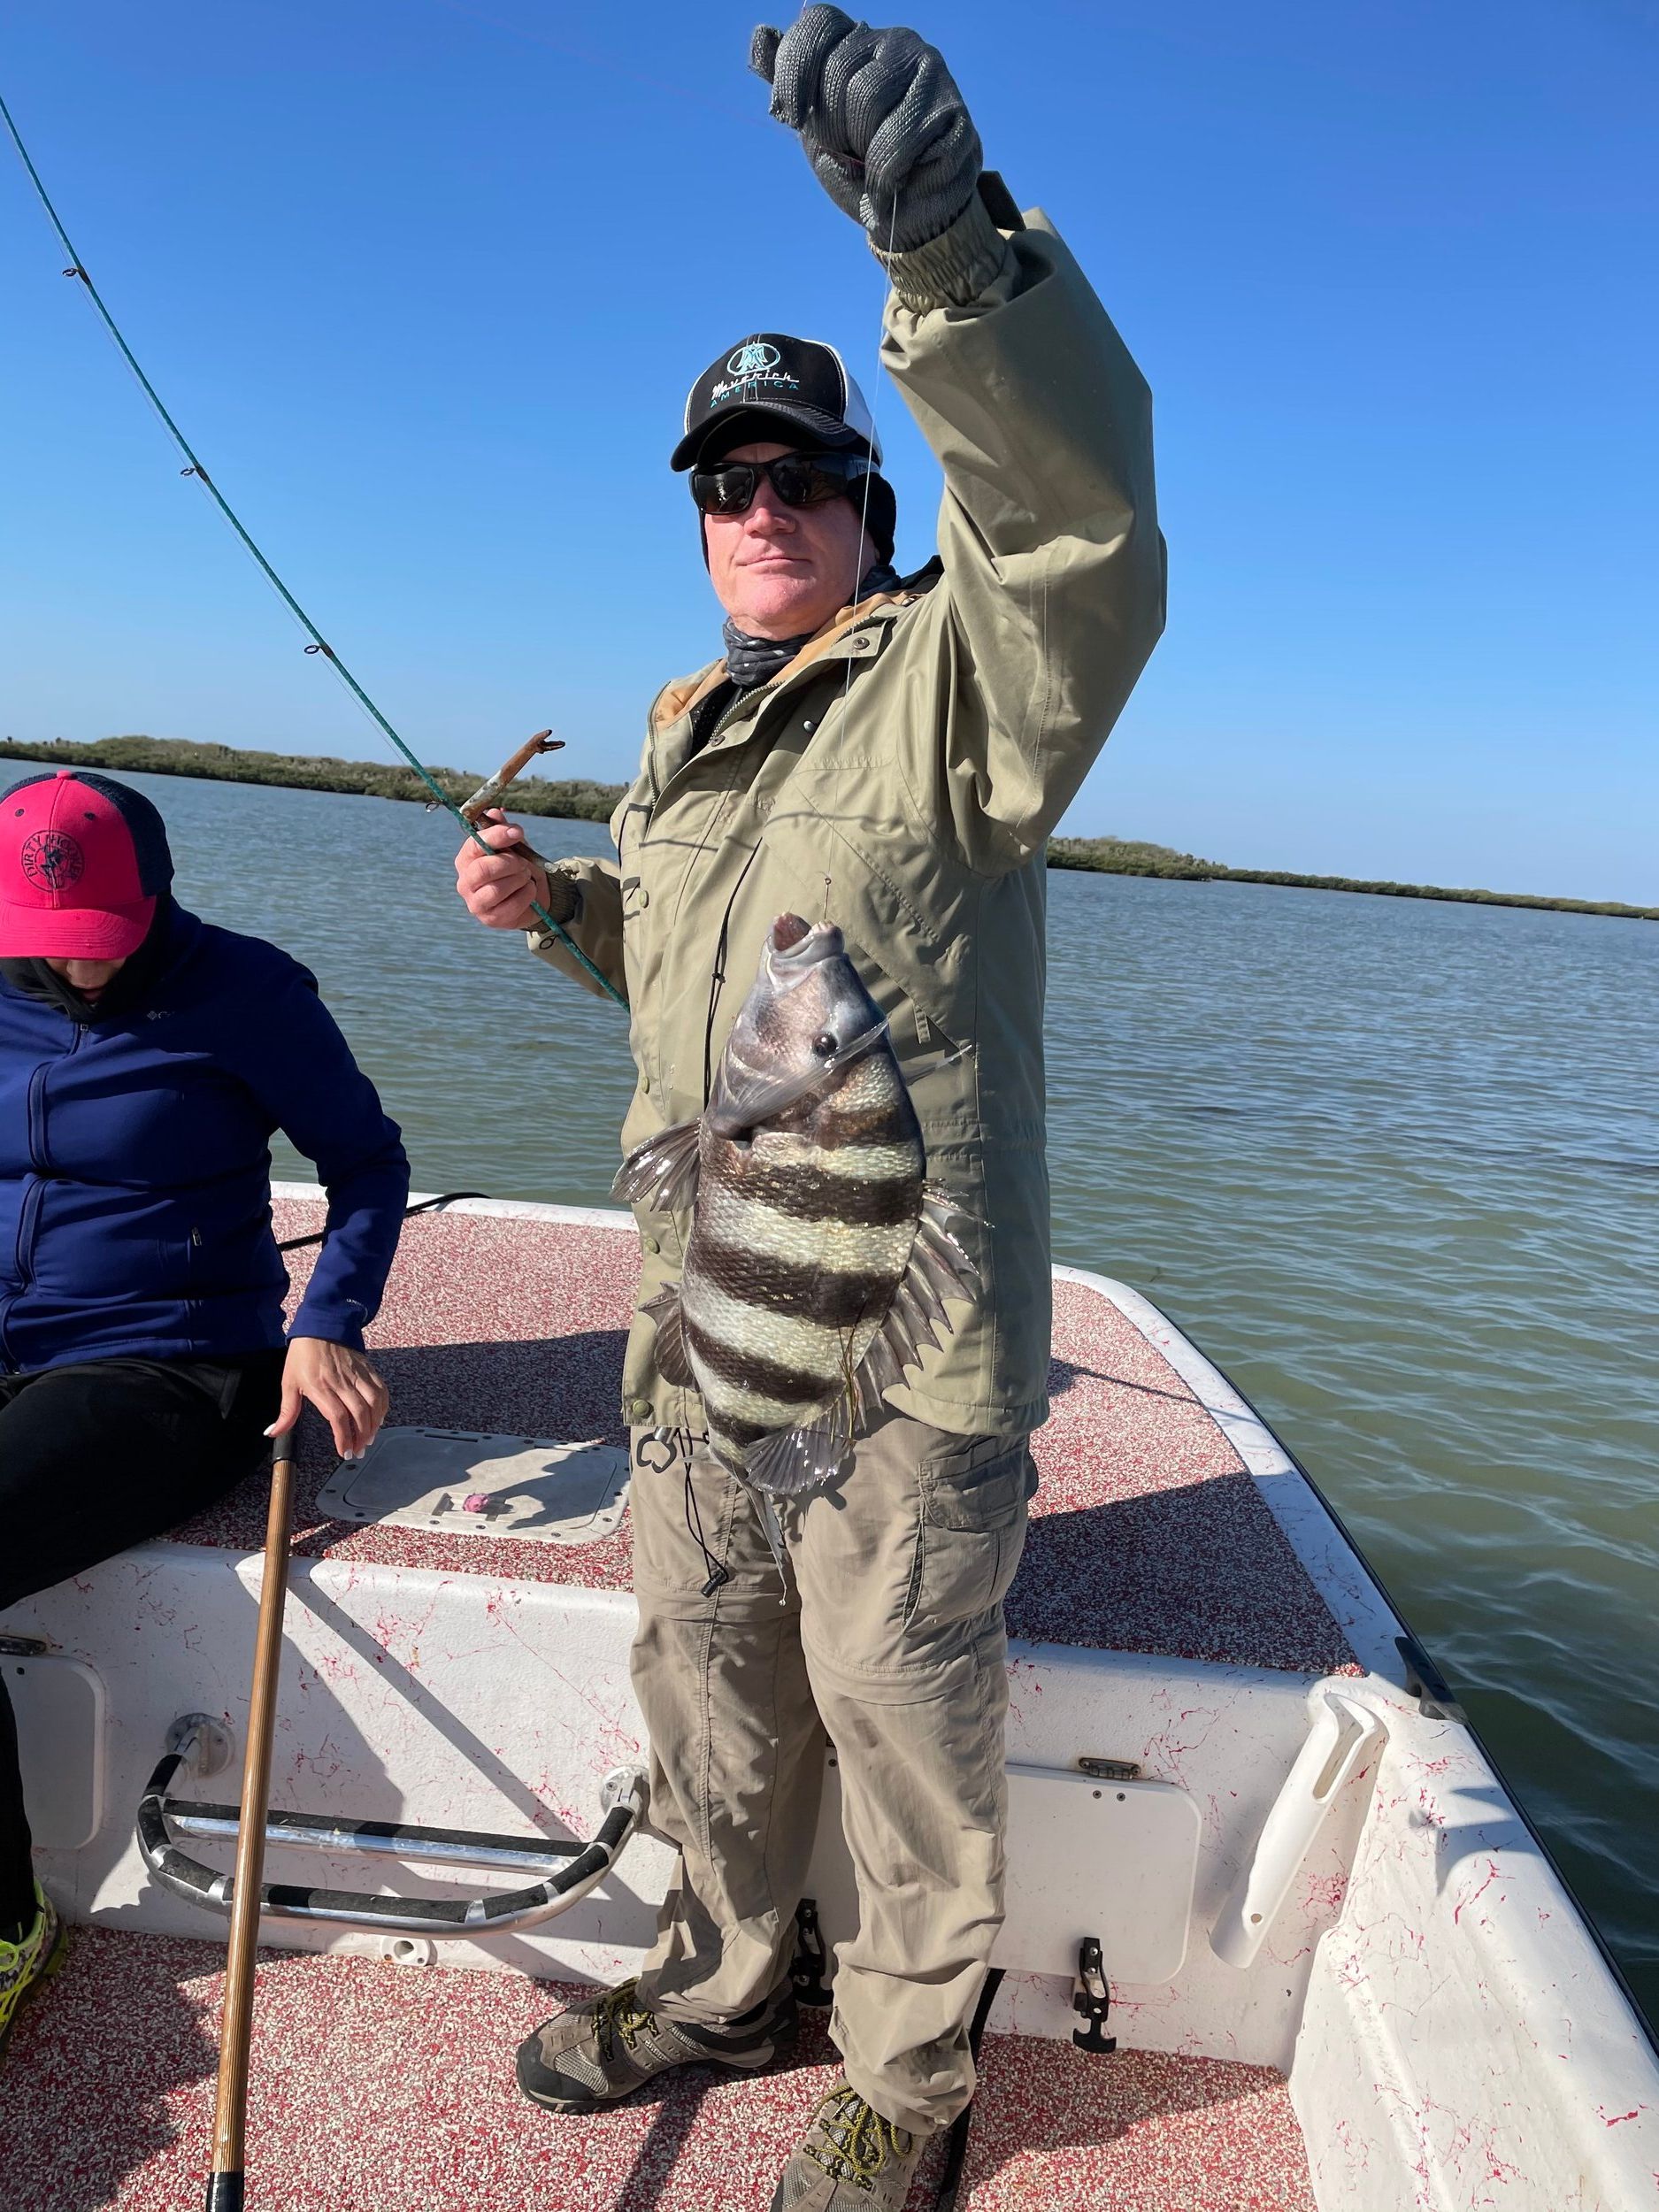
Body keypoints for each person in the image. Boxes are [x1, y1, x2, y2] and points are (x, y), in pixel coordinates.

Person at [456, 9, 1164, 2205]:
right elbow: (700, 999)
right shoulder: (686, 739)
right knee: (719, 1696)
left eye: (800, 479)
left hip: (888, 1355)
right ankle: (723, 1967)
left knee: (898, 1724)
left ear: (868, 505)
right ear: (700, 529)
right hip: (699, 1327)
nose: (761, 510)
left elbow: (1073, 526)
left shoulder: (958, 680)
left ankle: (909, 2085)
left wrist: (952, 257)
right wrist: (571, 902)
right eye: (725, 488)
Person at [0, 768, 408, 2056]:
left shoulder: (249, 992)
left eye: (107, 945)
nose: (84, 974)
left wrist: (328, 1320)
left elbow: (367, 1164)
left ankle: (9, 1921)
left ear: (159, 892)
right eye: (51, 952)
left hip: (167, 1361)